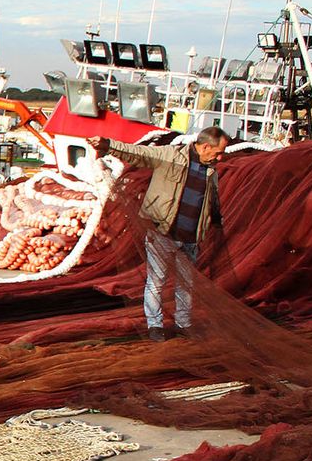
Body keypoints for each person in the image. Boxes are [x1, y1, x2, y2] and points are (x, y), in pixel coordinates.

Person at [91, 126, 229, 340]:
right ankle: (155, 325)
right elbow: (139, 153)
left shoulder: (211, 171)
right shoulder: (170, 156)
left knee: (186, 284)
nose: (221, 157)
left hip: (191, 238)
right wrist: (108, 145)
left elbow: (213, 200)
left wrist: (216, 220)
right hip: (162, 232)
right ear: (204, 146)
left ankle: (183, 323)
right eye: (218, 152)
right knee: (157, 281)